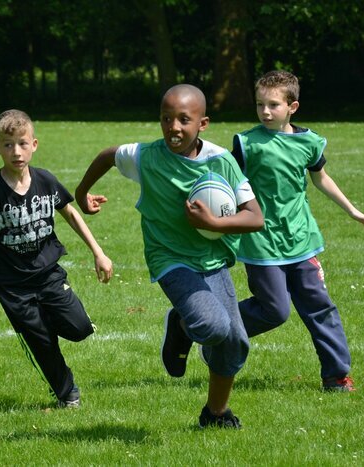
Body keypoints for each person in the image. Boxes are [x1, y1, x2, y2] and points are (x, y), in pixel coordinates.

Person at [75, 84, 264, 429]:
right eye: (166, 119)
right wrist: (82, 192)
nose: (173, 127)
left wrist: (215, 223)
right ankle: (180, 324)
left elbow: (255, 217)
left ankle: (215, 413)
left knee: (235, 342)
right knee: (211, 325)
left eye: (183, 120)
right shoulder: (147, 156)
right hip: (169, 259)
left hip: (212, 260)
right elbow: (107, 155)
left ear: (202, 123)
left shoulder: (222, 162)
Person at [231, 70, 364, 392]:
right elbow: (226, 184)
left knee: (320, 307)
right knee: (274, 311)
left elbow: (320, 177)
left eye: (273, 105)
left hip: (302, 239)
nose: (265, 112)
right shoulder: (248, 143)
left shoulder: (309, 142)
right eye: (259, 105)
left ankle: (336, 377)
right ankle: (218, 331)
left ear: (292, 107)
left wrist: (351, 210)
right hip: (261, 242)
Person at [0, 109, 113, 408]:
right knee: (43, 344)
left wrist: (98, 252)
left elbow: (70, 212)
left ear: (34, 144)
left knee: (80, 328)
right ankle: (67, 394)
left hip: (48, 275)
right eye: (7, 145)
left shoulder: (45, 181)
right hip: (12, 284)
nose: (16, 151)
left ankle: (46, 318)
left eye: (22, 143)